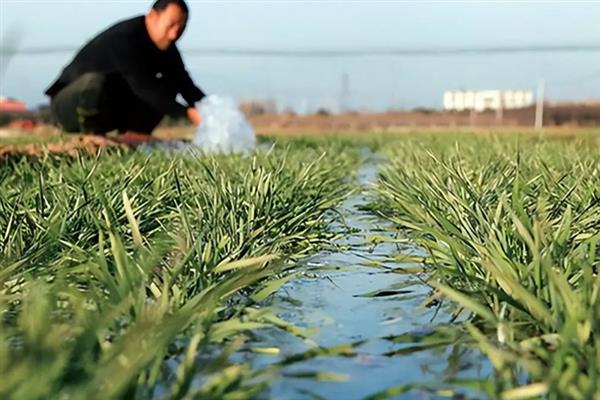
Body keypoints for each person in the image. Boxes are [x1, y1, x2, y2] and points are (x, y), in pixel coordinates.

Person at [44, 0, 204, 146]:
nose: (174, 34)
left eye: (181, 27)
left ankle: (134, 135)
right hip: (69, 105)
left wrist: (209, 110)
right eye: (171, 25)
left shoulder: (168, 49)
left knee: (168, 85)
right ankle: (92, 136)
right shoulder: (124, 38)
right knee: (94, 82)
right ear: (152, 16)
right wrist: (187, 113)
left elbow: (185, 85)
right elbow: (143, 87)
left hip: (111, 107)